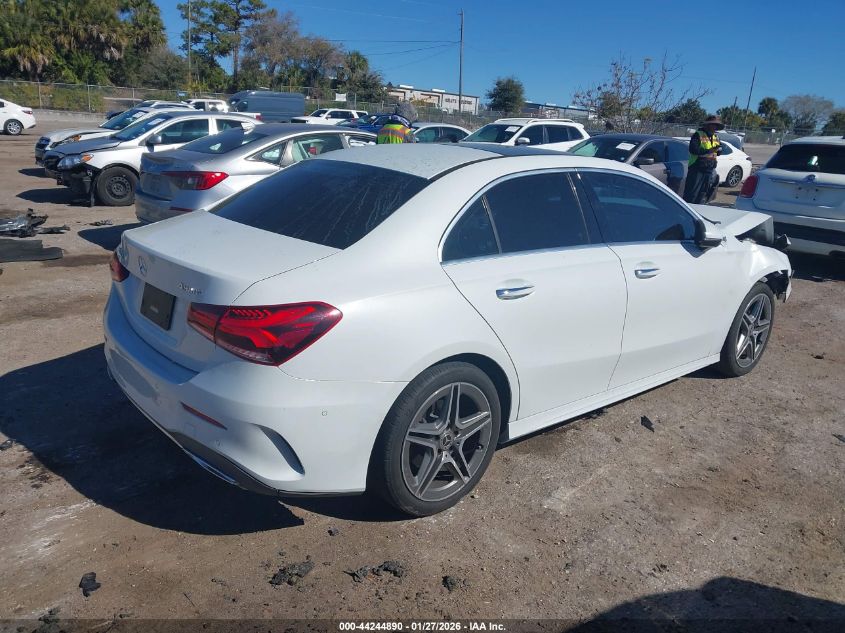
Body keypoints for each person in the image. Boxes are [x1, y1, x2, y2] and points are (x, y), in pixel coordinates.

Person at [683, 115, 724, 204]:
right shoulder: (698, 134)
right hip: (697, 168)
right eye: (713, 125)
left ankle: (699, 211)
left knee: (703, 193)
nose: (714, 127)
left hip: (709, 169)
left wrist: (719, 150)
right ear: (707, 125)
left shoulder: (716, 137)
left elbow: (718, 152)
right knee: (692, 194)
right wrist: (710, 150)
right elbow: (693, 150)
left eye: (716, 126)